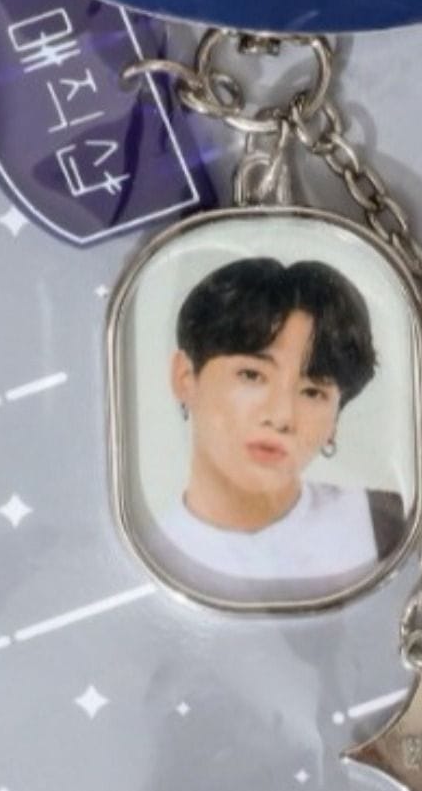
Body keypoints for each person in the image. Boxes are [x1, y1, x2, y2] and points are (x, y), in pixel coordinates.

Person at [152, 256, 406, 601]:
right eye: (252, 375)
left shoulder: (385, 525)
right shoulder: (151, 555)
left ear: (335, 420)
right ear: (185, 378)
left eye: (312, 392)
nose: (282, 416)